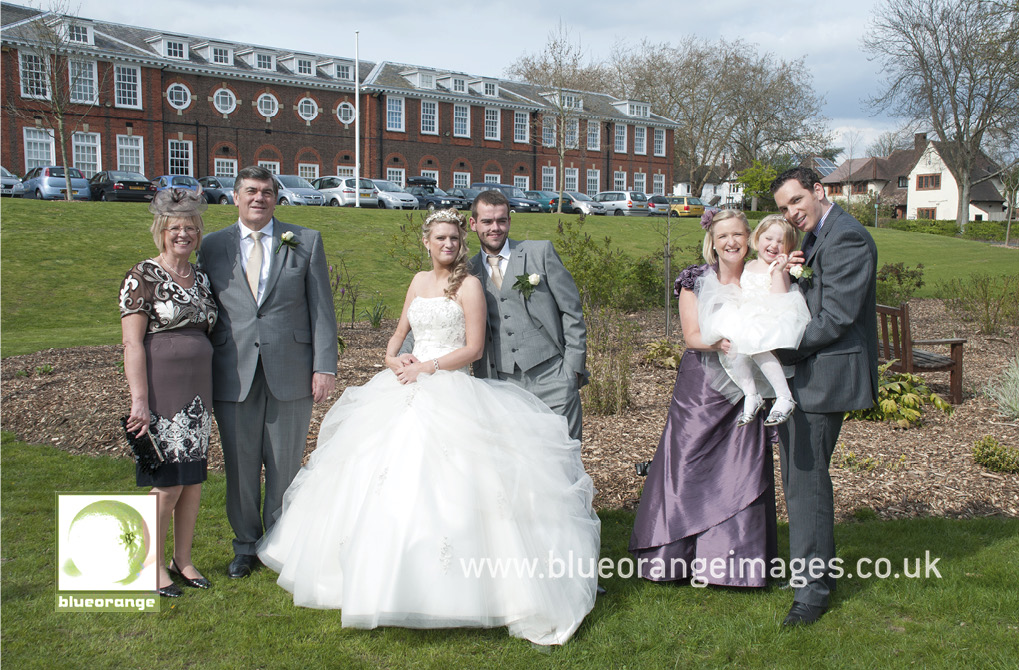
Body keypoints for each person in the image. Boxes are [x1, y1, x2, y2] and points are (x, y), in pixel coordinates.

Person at [257, 209, 600, 646]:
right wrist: (394, 361)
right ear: (427, 241)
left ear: (462, 240)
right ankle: (376, 578)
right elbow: (395, 341)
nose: (448, 245)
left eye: (455, 238)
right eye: (441, 238)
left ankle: (465, 592)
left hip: (449, 386)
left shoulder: (470, 285)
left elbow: (474, 349)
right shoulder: (418, 282)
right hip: (404, 385)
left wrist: (429, 367)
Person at [197, 165, 337, 579]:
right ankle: (244, 544)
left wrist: (324, 366)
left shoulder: (305, 241)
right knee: (240, 466)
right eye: (251, 191)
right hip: (233, 370)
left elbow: (322, 311)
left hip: (291, 369)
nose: (259, 198)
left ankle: (278, 542)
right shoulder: (212, 246)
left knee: (285, 464)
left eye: (267, 192)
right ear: (236, 197)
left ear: (277, 198)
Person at [629, 209, 778, 587]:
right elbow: (691, 335)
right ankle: (673, 558)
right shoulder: (694, 280)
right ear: (712, 241)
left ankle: (733, 563)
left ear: (750, 238)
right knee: (687, 462)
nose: (731, 242)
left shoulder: (762, 278)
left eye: (738, 235)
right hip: (703, 385)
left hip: (748, 386)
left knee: (741, 464)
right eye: (723, 235)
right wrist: (719, 342)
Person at [770, 167, 878, 626]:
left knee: (806, 482)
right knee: (802, 481)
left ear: (819, 191)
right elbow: (817, 295)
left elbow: (835, 317)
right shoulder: (819, 235)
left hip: (824, 377)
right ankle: (822, 573)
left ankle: (810, 594)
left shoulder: (847, 237)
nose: (792, 213)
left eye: (797, 201)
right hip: (811, 374)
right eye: (783, 209)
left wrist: (777, 343)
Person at [120, 188, 218, 597]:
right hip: (162, 394)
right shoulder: (141, 276)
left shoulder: (202, 278)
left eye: (191, 227)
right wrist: (139, 401)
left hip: (200, 394)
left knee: (192, 481)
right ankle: (150, 563)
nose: (184, 234)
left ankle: (183, 558)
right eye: (175, 227)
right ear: (161, 231)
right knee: (168, 483)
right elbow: (131, 344)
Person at [468, 189, 588, 441]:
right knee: (519, 463)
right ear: (473, 224)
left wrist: (572, 371)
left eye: (501, 220)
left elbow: (572, 311)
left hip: (552, 376)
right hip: (500, 383)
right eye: (487, 222)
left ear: (510, 221)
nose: (495, 228)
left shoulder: (540, 253)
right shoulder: (467, 272)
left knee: (564, 458)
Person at [695, 213, 811, 426]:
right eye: (769, 238)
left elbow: (778, 300)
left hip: (770, 315)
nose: (774, 245)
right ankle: (751, 393)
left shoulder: (777, 269)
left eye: (781, 242)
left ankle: (784, 396)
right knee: (733, 347)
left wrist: (778, 272)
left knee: (758, 347)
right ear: (756, 239)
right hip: (748, 314)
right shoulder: (747, 265)